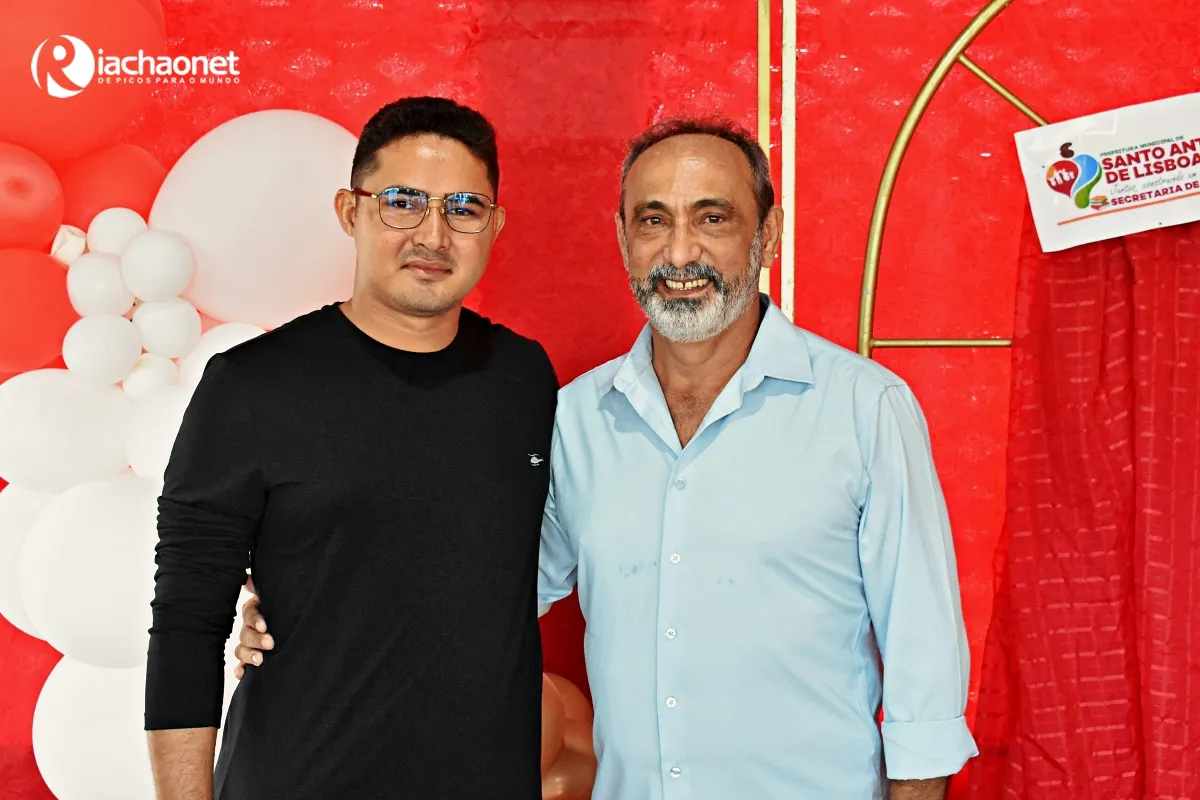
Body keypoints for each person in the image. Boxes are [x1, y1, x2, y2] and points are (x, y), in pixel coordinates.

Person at [236, 118, 978, 799]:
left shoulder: (864, 410)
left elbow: (926, 677)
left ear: (769, 233)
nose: (680, 253)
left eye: (712, 218)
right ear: (623, 237)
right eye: (653, 220)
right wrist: (311, 609)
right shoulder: (576, 419)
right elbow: (482, 589)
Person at [144, 96, 557, 800]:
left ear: (494, 225)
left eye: (463, 208)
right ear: (350, 211)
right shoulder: (252, 386)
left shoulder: (525, 379)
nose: (433, 234)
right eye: (402, 202)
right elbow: (186, 619)